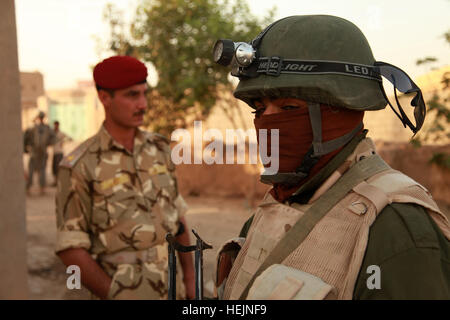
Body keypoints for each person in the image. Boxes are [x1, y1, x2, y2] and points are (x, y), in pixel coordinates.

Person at [214, 15, 450, 300]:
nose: (268, 124)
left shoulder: (393, 228)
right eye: (259, 110)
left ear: (342, 110)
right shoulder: (269, 212)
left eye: (289, 107)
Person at [55, 55, 195, 300]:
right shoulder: (80, 165)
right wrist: (115, 294)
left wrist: (191, 281)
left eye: (144, 93)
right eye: (132, 95)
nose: (143, 104)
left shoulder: (160, 149)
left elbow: (178, 220)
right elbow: (71, 250)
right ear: (104, 98)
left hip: (173, 289)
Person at [24, 111, 55, 195]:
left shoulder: (37, 128)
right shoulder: (42, 128)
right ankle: (36, 188)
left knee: (38, 171)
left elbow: (26, 138)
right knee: (38, 170)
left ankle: (38, 188)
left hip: (38, 152)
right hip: (38, 152)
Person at [51, 121, 72, 186]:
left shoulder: (61, 133)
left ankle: (59, 181)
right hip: (54, 152)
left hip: (60, 153)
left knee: (59, 168)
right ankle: (55, 181)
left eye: (56, 125)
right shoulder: (52, 133)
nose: (55, 126)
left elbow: (70, 138)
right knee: (54, 168)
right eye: (55, 125)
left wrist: (63, 142)